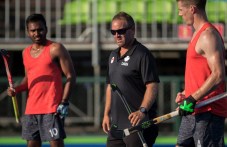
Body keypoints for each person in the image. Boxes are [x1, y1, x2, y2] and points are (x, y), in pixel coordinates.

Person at [7, 13, 76, 147]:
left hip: (52, 110)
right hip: (31, 111)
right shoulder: (25, 53)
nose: (37, 33)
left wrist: (64, 102)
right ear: (28, 32)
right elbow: (28, 80)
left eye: (40, 29)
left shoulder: (56, 48)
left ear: (46, 29)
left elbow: (71, 76)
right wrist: (16, 89)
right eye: (33, 30)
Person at [102, 11, 160, 147]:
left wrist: (142, 111)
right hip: (116, 126)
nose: (117, 35)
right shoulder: (112, 56)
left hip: (138, 124)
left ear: (133, 30)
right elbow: (110, 86)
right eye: (113, 32)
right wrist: (106, 114)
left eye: (121, 31)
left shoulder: (142, 54)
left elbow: (152, 86)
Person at [175, 0, 227, 146]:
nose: (179, 14)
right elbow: (201, 73)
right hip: (192, 111)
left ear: (192, 9)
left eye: (180, 10)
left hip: (209, 111)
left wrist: (192, 98)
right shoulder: (196, 34)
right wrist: (186, 93)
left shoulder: (208, 35)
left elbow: (218, 75)